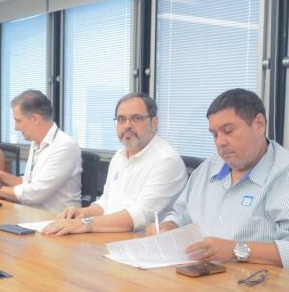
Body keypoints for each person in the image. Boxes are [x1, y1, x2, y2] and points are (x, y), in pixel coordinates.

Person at [145, 88, 289, 278]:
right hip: (209, 281)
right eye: (214, 134)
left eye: (228, 131)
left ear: (259, 124)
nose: (220, 142)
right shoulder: (207, 169)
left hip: (273, 287)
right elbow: (181, 213)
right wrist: (168, 227)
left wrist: (236, 250)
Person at [42, 93, 187, 235]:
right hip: (109, 236)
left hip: (139, 242)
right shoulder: (120, 155)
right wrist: (81, 213)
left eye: (136, 118)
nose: (127, 125)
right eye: (121, 119)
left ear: (154, 123)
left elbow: (140, 215)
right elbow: (106, 203)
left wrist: (83, 224)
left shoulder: (166, 160)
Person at [0, 90, 81, 212]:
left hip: (56, 220)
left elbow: (36, 193)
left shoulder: (65, 145)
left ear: (35, 119)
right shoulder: (36, 143)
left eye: (18, 121)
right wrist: (2, 176)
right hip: (32, 216)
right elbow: (29, 183)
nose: (15, 127)